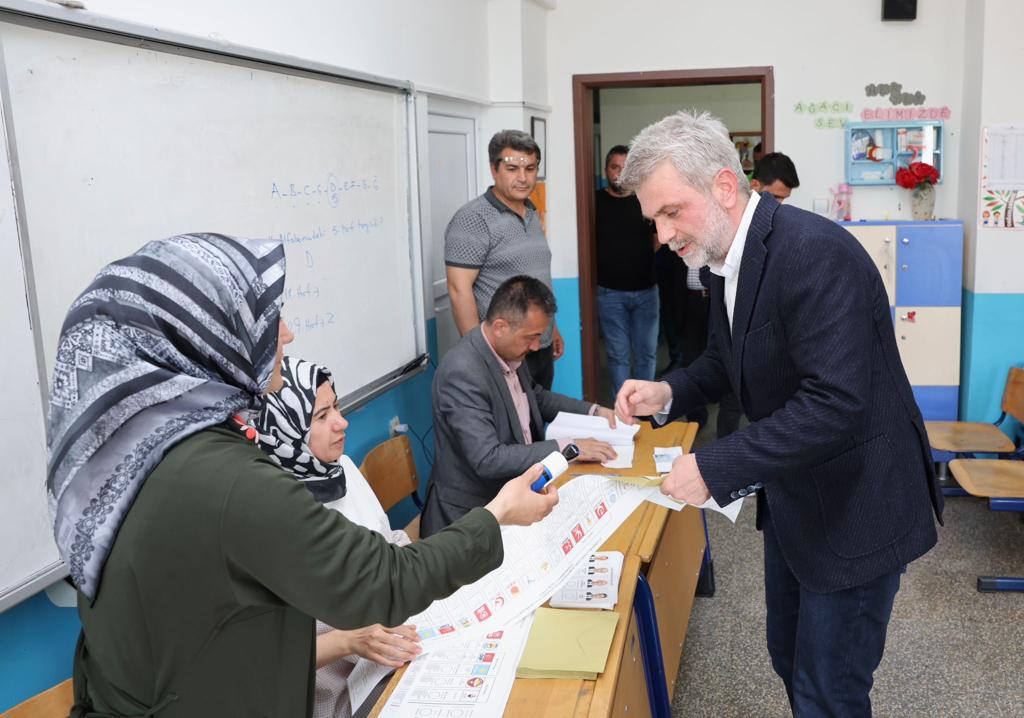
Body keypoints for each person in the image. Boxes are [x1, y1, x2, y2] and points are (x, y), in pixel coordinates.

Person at [48, 233, 558, 717]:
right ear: (206, 339)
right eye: (265, 322)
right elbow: (383, 580)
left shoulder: (128, 457)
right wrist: (499, 513)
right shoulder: (226, 479)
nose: (287, 334)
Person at [613, 112, 943, 715]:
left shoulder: (815, 255)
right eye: (652, 220)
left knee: (830, 688)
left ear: (721, 186)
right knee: (788, 658)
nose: (662, 237)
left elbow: (836, 402)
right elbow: (727, 358)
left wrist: (715, 464)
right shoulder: (722, 260)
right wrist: (669, 393)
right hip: (799, 501)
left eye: (670, 212)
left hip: (856, 510)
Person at [255, 356, 414, 718]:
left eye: (337, 406)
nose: (342, 423)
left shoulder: (340, 469)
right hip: (337, 690)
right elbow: (268, 652)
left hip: (387, 648)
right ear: (285, 428)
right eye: (321, 417)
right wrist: (349, 641)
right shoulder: (268, 510)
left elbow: (388, 539)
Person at [422, 275, 618, 537]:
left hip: (517, 494)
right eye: (532, 337)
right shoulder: (463, 372)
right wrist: (568, 449)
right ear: (501, 327)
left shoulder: (508, 349)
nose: (537, 346)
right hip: (474, 515)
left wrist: (595, 412)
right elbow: (487, 458)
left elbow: (533, 397)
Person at [445, 129, 562, 389]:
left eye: (530, 169)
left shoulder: (531, 212)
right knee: (510, 428)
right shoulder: (473, 219)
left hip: (538, 347)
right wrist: (482, 358)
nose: (523, 178)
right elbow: (458, 290)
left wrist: (550, 328)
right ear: (493, 169)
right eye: (512, 169)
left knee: (536, 424)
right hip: (504, 355)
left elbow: (535, 275)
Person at [595, 144, 659, 397]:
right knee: (618, 355)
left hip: (646, 292)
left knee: (647, 353)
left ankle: (645, 407)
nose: (619, 173)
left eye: (625, 168)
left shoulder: (646, 200)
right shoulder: (595, 202)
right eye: (614, 167)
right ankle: (624, 413)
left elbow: (658, 239)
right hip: (609, 294)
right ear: (606, 170)